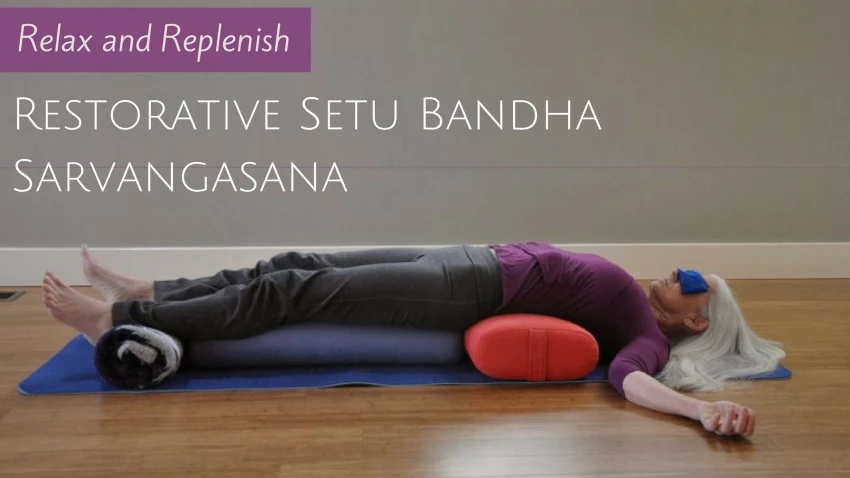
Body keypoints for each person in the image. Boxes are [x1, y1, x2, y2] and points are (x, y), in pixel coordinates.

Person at [41, 241, 784, 438]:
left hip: (468, 289)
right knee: (296, 262)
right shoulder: (642, 302)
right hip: (469, 258)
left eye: (695, 281)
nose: (682, 274)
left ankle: (120, 325)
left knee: (295, 292)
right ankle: (149, 293)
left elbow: (631, 382)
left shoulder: (641, 335)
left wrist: (700, 412)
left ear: (695, 320)